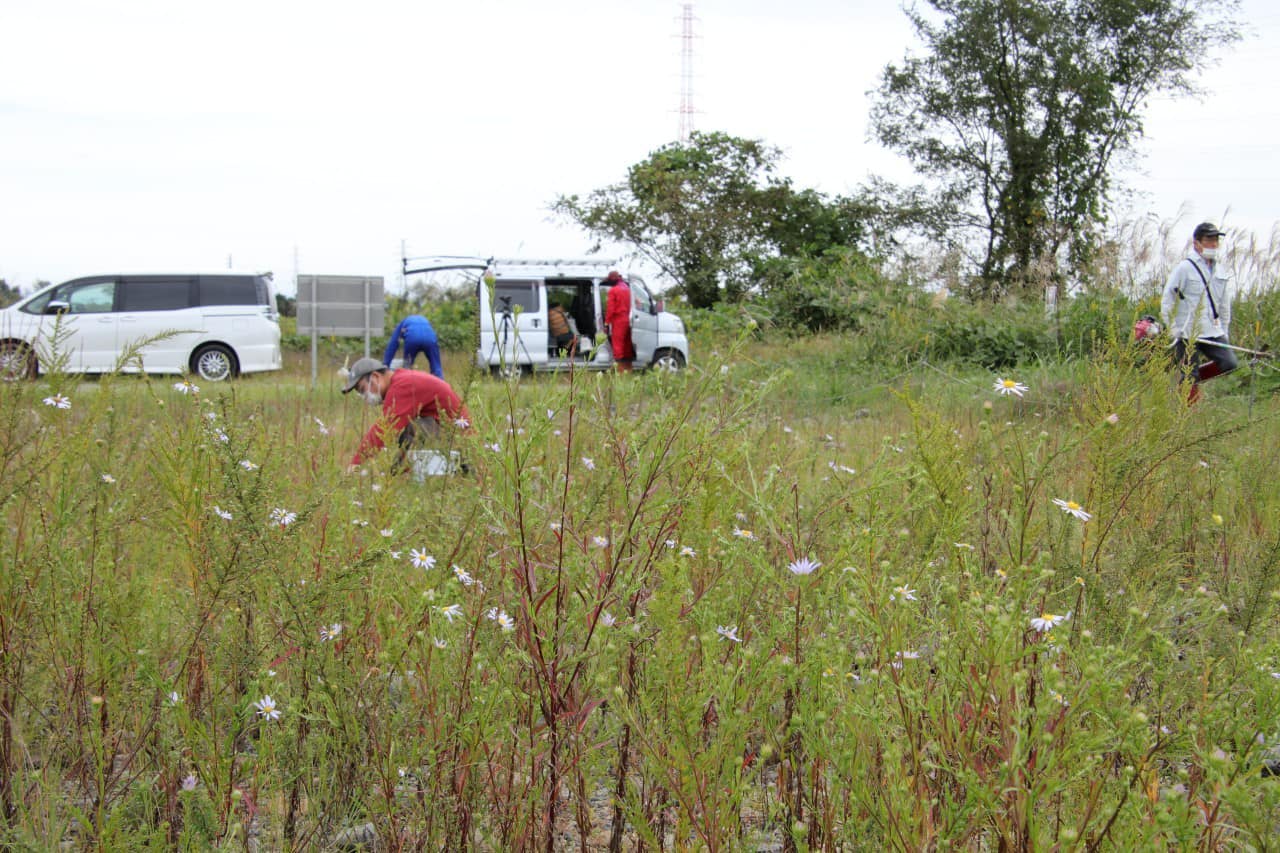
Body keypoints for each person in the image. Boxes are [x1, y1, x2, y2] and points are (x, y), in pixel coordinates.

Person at [343, 357, 471, 470]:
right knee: (403, 427)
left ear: (376, 377)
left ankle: (408, 474)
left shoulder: (401, 386)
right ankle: (402, 473)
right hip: (452, 432)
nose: (364, 396)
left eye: (362, 389)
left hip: (458, 437)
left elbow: (385, 428)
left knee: (404, 428)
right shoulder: (401, 380)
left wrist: (356, 464)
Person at [1161, 222, 1237, 404]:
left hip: (1213, 330)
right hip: (1187, 331)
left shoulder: (1220, 270)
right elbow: (1168, 299)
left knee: (1229, 363)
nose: (1213, 244)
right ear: (1196, 243)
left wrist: (1225, 330)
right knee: (1189, 373)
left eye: (1215, 240)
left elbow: (1224, 304)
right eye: (1208, 240)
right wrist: (1173, 328)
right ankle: (1187, 406)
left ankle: (1187, 383)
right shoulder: (1184, 268)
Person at [603, 270, 635, 372]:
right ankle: (628, 368)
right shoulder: (628, 289)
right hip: (629, 319)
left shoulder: (613, 290)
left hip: (618, 320)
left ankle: (619, 370)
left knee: (617, 344)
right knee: (627, 344)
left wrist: (606, 323)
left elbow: (610, 309)